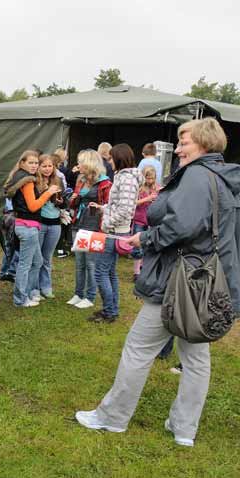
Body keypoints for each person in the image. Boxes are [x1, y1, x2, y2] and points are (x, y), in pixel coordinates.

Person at [75, 118, 240, 448]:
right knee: (195, 359)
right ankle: (184, 430)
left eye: (185, 141)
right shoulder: (221, 177)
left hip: (178, 281)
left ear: (205, 143)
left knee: (139, 348)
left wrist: (145, 239)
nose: (178, 148)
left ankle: (112, 417)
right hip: (207, 281)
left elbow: (181, 227)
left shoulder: (196, 176)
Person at [90, 144, 143, 323]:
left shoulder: (127, 179)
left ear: (119, 158)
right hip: (115, 230)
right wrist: (103, 208)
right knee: (109, 272)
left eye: (111, 158)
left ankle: (109, 311)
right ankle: (111, 310)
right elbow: (118, 205)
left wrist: (106, 222)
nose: (109, 161)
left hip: (114, 232)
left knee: (100, 272)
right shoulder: (124, 177)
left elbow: (126, 210)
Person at [3, 150, 60, 307]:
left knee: (38, 261)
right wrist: (48, 193)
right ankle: (20, 299)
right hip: (27, 227)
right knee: (25, 264)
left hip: (26, 225)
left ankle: (27, 293)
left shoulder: (20, 177)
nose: (34, 166)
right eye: (31, 163)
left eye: (36, 163)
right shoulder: (27, 181)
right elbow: (33, 206)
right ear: (22, 163)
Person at [67, 150, 112, 309]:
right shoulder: (81, 179)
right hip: (79, 223)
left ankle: (90, 296)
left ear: (89, 163)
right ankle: (78, 293)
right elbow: (74, 203)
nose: (78, 165)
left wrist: (99, 207)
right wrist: (73, 200)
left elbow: (109, 206)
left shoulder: (105, 183)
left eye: (81, 162)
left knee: (91, 264)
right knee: (80, 263)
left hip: (95, 226)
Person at [33, 154, 65, 299]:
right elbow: (33, 203)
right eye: (44, 166)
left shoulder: (58, 180)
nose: (47, 169)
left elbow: (63, 203)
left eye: (50, 166)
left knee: (47, 257)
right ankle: (33, 288)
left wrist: (63, 201)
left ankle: (45, 286)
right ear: (38, 167)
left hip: (55, 224)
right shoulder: (34, 182)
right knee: (36, 257)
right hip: (40, 222)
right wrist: (46, 191)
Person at [131, 166, 159, 281]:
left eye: (152, 179)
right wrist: (147, 199)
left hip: (151, 222)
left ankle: (144, 269)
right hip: (139, 220)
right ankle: (136, 272)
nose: (150, 181)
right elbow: (133, 203)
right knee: (137, 247)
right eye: (148, 178)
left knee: (148, 246)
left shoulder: (157, 188)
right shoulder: (139, 188)